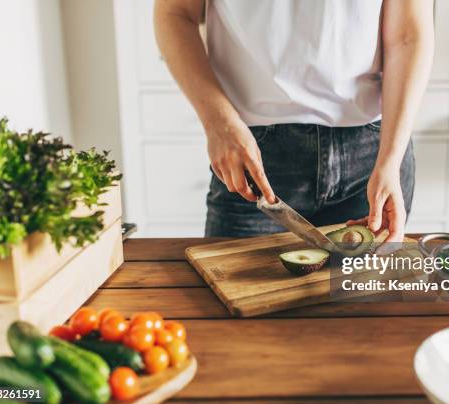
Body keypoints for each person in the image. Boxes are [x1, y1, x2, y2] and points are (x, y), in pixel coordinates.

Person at [154, 0, 434, 241]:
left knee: (361, 300)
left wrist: (391, 159)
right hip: (252, 155)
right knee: (234, 295)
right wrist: (219, 124)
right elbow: (176, 13)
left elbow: (408, 36)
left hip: (372, 157)